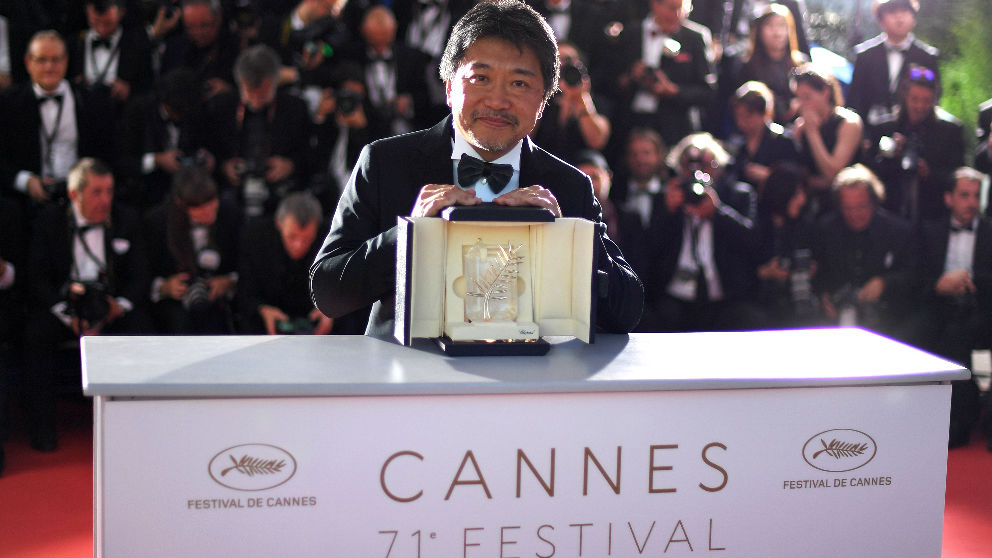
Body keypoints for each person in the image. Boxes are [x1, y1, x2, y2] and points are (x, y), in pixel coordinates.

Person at [310, 0, 644, 337]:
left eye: (519, 84)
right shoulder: (385, 162)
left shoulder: (569, 185)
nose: (498, 101)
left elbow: (626, 312)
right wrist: (409, 234)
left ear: (543, 102)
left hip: (530, 380)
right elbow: (328, 293)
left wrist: (567, 241)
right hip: (410, 377)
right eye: (481, 78)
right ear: (449, 87)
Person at [23, 158, 150, 451]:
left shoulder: (126, 219)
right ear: (73, 194)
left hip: (112, 306)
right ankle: (42, 430)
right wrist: (69, 317)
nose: (105, 200)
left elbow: (140, 275)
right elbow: (38, 279)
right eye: (96, 192)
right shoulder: (49, 221)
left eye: (109, 191)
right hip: (65, 309)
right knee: (35, 334)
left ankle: (137, 430)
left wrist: (119, 306)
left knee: (144, 329)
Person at [639, 132, 760, 332]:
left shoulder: (738, 195)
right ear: (678, 169)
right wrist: (667, 212)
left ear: (719, 167)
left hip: (724, 297)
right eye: (689, 166)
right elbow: (648, 250)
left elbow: (753, 242)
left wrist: (718, 213)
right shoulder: (663, 198)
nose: (698, 174)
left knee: (749, 318)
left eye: (706, 166)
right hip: (676, 296)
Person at [914, 168, 991, 448]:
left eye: (975, 196)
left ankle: (959, 422)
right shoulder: (928, 230)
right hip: (937, 304)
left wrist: (970, 281)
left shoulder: (989, 231)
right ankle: (912, 418)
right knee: (911, 332)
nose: (971, 202)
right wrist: (939, 285)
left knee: (958, 337)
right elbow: (915, 276)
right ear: (949, 198)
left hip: (981, 308)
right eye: (964, 195)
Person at [0, 30, 114, 204]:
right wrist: (26, 181)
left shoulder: (91, 102)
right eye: (42, 60)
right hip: (25, 201)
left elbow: (106, 153)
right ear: (28, 62)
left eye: (55, 59)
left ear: (66, 61)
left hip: (80, 199)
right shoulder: (7, 103)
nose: (49, 67)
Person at [811, 164, 916, 340]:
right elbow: (818, 273)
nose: (854, 214)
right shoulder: (825, 229)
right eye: (848, 208)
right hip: (835, 320)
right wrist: (823, 297)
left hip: (887, 321)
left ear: (874, 202)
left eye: (861, 207)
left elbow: (914, 275)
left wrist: (885, 283)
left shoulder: (898, 231)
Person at [207, 44, 313, 217]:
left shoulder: (295, 109)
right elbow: (208, 149)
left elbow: (310, 154)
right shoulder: (221, 107)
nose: (256, 101)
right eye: (250, 93)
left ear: (275, 82)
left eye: (263, 94)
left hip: (280, 193)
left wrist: (290, 165)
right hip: (229, 193)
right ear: (240, 83)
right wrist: (223, 166)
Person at [145, 164, 242, 334]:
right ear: (181, 204)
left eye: (212, 203)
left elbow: (246, 263)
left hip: (219, 303)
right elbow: (143, 272)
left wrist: (229, 281)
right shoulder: (157, 221)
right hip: (174, 308)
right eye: (199, 208)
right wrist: (165, 287)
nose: (209, 212)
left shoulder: (232, 214)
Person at [867, 65, 964, 223]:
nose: (920, 106)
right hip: (889, 214)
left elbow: (957, 176)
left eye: (927, 101)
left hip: (933, 216)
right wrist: (891, 157)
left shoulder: (950, 132)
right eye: (915, 99)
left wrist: (929, 173)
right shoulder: (884, 128)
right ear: (904, 96)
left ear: (934, 99)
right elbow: (870, 173)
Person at [614, 0, 717, 147]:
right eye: (671, 8)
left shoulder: (695, 37)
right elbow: (609, 80)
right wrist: (632, 75)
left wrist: (673, 91)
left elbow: (708, 91)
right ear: (654, 4)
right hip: (631, 122)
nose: (676, 14)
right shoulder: (631, 33)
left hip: (674, 126)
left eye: (682, 9)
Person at [240, 192, 336, 334]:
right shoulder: (256, 238)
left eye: (307, 239)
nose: (299, 245)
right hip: (267, 324)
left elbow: (346, 288)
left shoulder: (331, 239)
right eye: (292, 236)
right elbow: (245, 289)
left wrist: (332, 310)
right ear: (279, 223)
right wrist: (262, 309)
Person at [846, 0, 939, 130]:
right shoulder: (865, 55)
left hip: (913, 132)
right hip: (871, 131)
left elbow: (934, 98)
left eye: (905, 11)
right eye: (892, 11)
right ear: (881, 20)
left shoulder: (927, 57)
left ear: (914, 18)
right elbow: (855, 99)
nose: (899, 17)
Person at [791, 63, 864, 217]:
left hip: (844, 203)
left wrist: (812, 133)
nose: (803, 104)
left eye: (807, 97)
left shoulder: (848, 123)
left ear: (825, 92)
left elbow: (833, 175)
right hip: (810, 203)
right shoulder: (800, 126)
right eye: (799, 98)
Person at [530, 41, 611, 166]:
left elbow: (597, 141)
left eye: (568, 60)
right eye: (556, 60)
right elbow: (524, 137)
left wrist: (581, 98)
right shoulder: (542, 99)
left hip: (581, 171)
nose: (562, 66)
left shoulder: (596, 102)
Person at [67, 0, 153, 106]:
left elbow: (149, 85)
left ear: (121, 13)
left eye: (108, 23)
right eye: (95, 22)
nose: (102, 29)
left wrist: (130, 90)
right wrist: (74, 86)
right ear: (87, 11)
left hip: (121, 113)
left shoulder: (138, 45)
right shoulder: (73, 44)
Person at [734, 4, 807, 125]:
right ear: (759, 30)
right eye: (770, 26)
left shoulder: (802, 65)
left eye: (782, 25)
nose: (777, 32)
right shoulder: (748, 66)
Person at [727, 80, 798, 194]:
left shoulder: (783, 141)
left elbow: (795, 179)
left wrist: (770, 176)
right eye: (738, 116)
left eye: (747, 117)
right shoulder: (737, 143)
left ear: (763, 113)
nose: (741, 122)